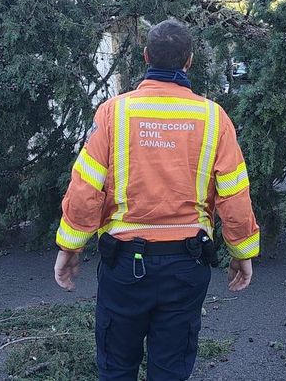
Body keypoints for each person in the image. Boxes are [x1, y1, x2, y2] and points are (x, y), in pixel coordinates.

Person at [53, 19, 260, 381]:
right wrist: (242, 253)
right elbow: (234, 195)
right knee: (170, 370)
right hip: (186, 265)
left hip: (124, 266)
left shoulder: (113, 113)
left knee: (117, 368)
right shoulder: (214, 118)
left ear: (146, 56)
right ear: (189, 61)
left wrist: (70, 247)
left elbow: (85, 188)